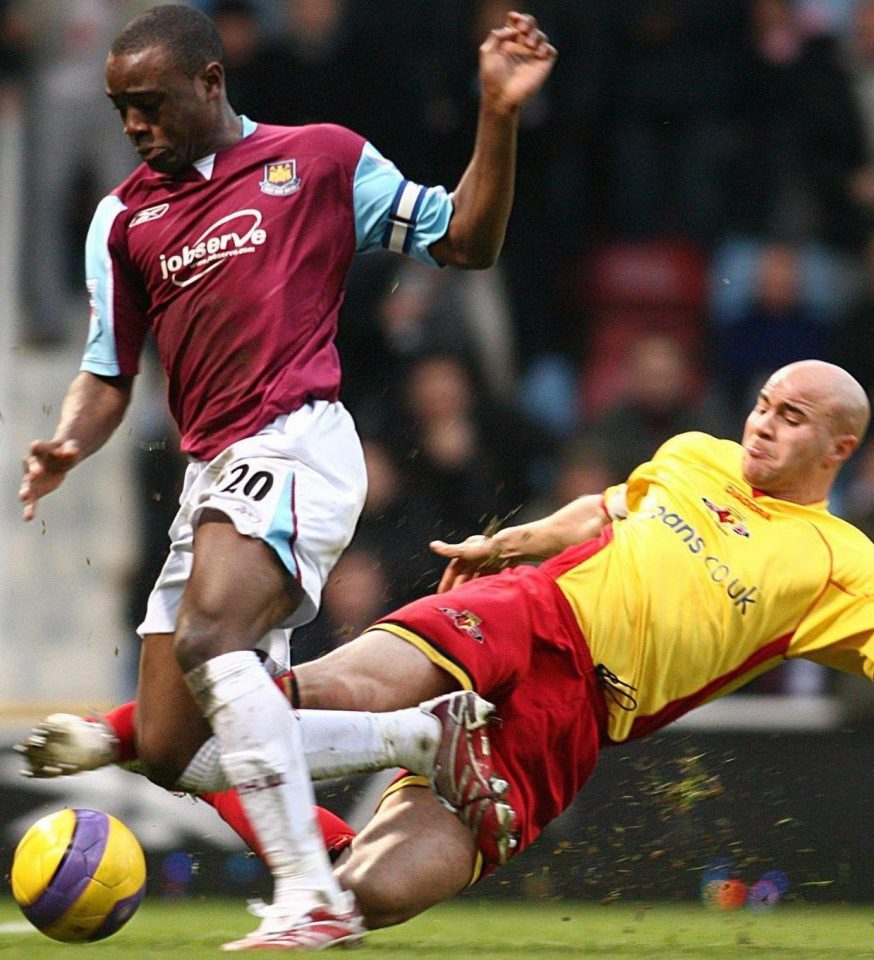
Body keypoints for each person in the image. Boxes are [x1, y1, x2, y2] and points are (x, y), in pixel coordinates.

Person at [17, 2, 557, 950]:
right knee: (183, 754)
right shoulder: (123, 218)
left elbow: (467, 240)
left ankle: (313, 896)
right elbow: (108, 373)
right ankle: (425, 736)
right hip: (212, 472)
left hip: (298, 440)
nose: (134, 126)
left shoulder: (320, 161)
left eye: (149, 103)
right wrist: (69, 440)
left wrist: (497, 115)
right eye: (120, 110)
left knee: (213, 637)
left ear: (211, 82)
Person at [20, 359, 873, 949]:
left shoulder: (841, 563)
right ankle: (162, 735)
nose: (762, 425)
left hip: (577, 719)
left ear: (840, 448)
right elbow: (604, 512)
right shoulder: (697, 456)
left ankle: (148, 746)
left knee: (372, 894)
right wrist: (509, 545)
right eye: (763, 404)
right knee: (324, 689)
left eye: (790, 418)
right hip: (533, 611)